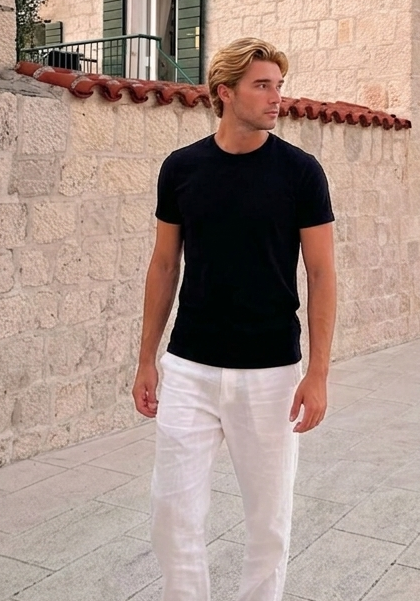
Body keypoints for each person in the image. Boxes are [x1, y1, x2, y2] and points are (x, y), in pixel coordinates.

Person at [132, 37, 337, 601]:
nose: (276, 99)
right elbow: (163, 264)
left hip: (271, 373)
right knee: (172, 514)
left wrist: (317, 373)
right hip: (189, 369)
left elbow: (321, 275)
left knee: (268, 525)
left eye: (278, 86)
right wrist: (146, 360)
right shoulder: (181, 169)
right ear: (225, 93)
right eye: (262, 86)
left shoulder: (301, 174)